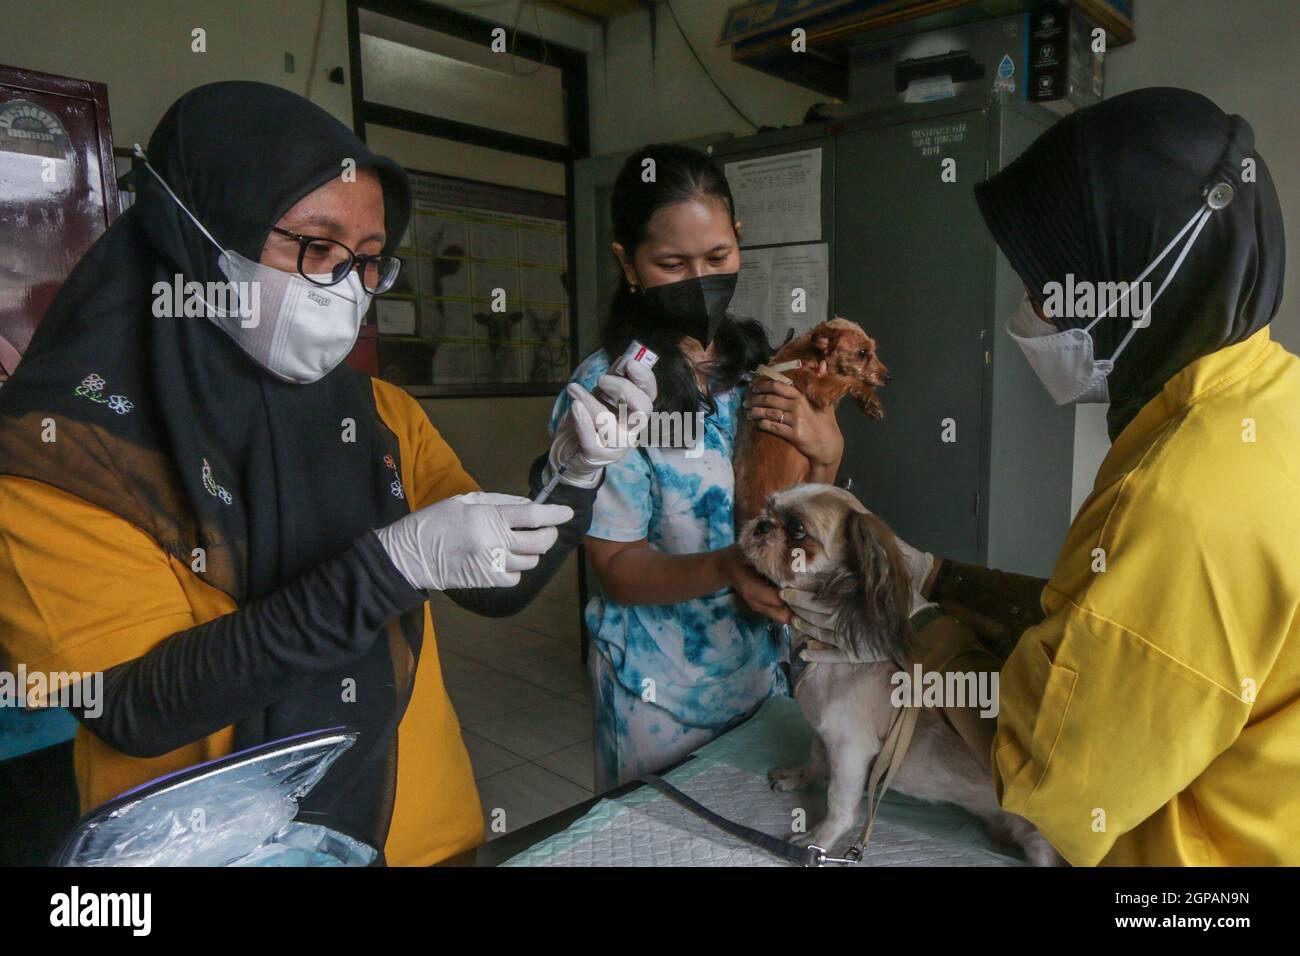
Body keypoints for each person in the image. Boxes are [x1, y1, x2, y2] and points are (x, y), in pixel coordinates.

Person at [0, 81, 652, 866]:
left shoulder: (379, 414)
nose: (344, 288)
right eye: (314, 247)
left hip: (421, 831)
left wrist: (573, 476)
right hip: (210, 850)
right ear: (197, 232)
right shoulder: (67, 452)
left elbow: (497, 585)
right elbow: (136, 706)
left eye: (369, 261)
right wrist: (391, 566)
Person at [786, 88, 1293, 865]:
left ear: (1133, 279)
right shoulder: (1267, 403)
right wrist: (947, 577)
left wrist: (918, 626)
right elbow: (1110, 624)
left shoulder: (1182, 496)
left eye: (1043, 285)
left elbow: (1050, 778)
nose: (1028, 314)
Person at [550, 144, 844, 791]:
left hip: (763, 674)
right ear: (629, 262)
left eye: (717, 258)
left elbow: (799, 497)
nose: (701, 279)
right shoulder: (608, 394)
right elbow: (616, 569)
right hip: (659, 695)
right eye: (672, 263)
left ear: (739, 241)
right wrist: (729, 569)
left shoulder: (760, 366)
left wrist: (828, 449)